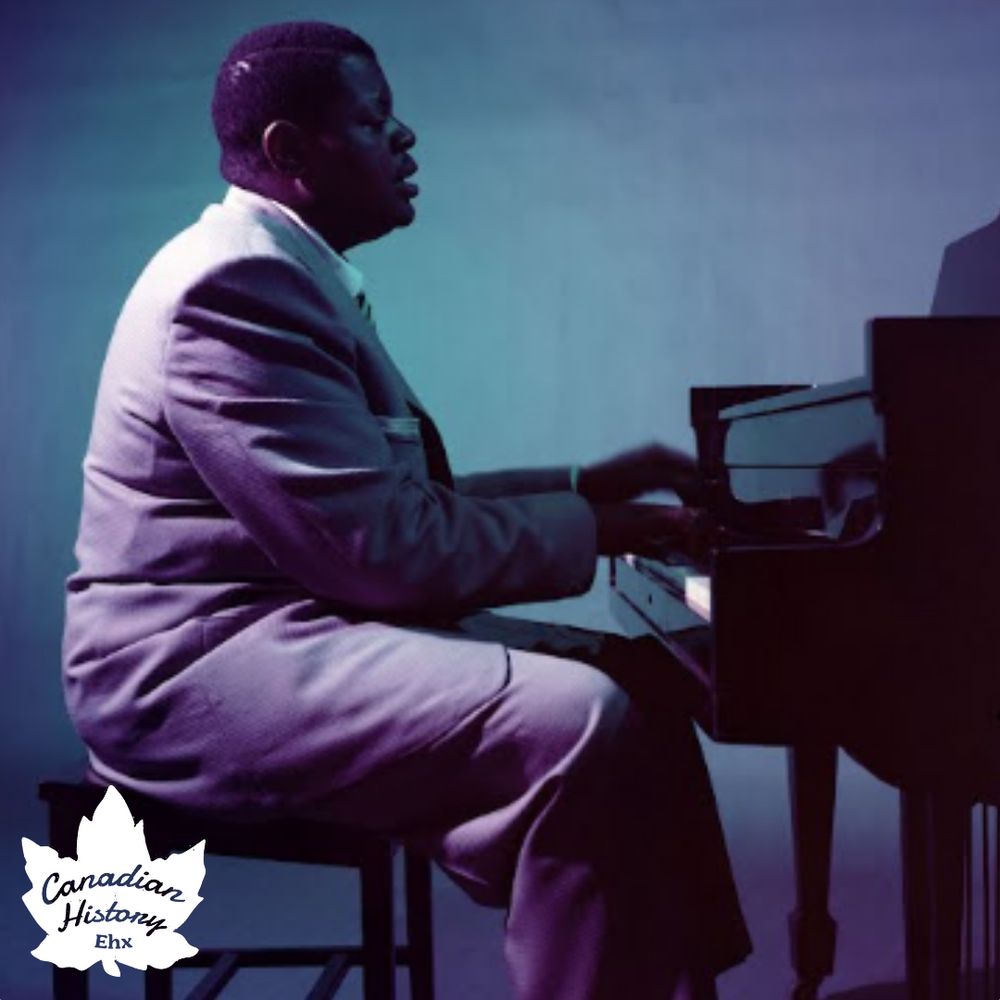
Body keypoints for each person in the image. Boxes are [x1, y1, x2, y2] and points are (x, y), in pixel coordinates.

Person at [62, 21, 750, 999]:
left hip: (282, 622)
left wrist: (588, 486)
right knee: (584, 722)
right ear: (289, 154)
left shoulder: (277, 267)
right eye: (374, 118)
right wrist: (606, 530)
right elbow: (378, 550)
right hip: (188, 671)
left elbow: (371, 508)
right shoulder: (236, 286)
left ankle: (671, 981)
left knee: (639, 674)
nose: (406, 139)